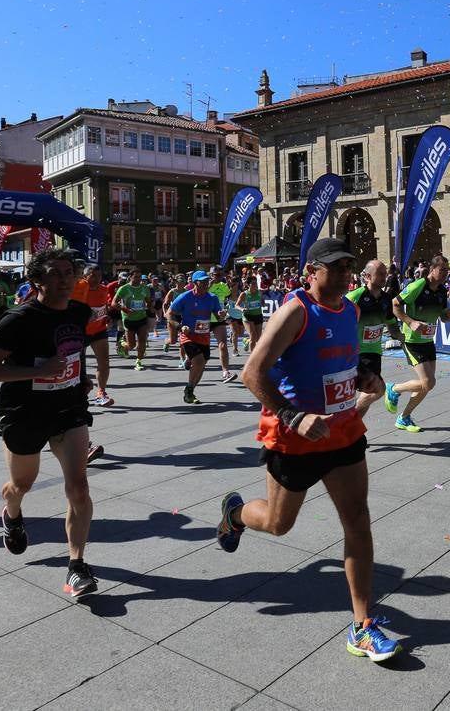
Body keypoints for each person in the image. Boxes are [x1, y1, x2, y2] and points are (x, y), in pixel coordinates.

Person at [214, 238, 402, 661]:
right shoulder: (295, 311)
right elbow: (252, 374)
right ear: (311, 272)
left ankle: (362, 624)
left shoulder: (350, 309)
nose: (344, 274)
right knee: (279, 524)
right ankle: (235, 513)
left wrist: (365, 379)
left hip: (343, 433)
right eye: (335, 267)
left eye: (348, 267)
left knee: (358, 520)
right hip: (294, 438)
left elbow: (340, 365)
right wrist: (293, 416)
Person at [0, 248, 98, 598]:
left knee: (79, 487)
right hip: (25, 412)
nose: (63, 279)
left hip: (69, 408)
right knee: (21, 484)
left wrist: (80, 378)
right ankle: (12, 513)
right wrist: (37, 371)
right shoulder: (18, 319)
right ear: (37, 280)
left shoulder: (79, 310)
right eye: (55, 273)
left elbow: (74, 350)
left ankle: (76, 565)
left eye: (68, 273)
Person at [386, 255, 450, 432]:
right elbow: (395, 304)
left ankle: (404, 418)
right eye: (442, 270)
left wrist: (447, 316)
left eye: (447, 271)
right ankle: (394, 388)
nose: (445, 274)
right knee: (429, 382)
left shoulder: (441, 290)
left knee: (426, 385)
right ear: (432, 269)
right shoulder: (418, 285)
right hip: (412, 341)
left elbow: (441, 314)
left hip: (428, 341)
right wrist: (410, 322)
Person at [347, 260, 395, 417]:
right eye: (380, 274)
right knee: (377, 389)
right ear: (367, 276)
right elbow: (338, 321)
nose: (384, 277)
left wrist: (400, 335)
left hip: (375, 352)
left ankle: (352, 429)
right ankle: (348, 422)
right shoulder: (355, 297)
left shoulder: (386, 299)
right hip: (356, 353)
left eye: (385, 273)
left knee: (371, 390)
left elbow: (391, 322)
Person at [168, 271, 221, 404]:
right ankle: (189, 389)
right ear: (194, 282)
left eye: (206, 281)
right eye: (202, 281)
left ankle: (190, 390)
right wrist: (180, 327)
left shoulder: (212, 298)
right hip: (188, 335)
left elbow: (218, 315)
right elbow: (169, 314)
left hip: (204, 336)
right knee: (199, 361)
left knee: (202, 365)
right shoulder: (185, 297)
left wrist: (222, 313)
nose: (205, 283)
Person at [74, 265, 115, 408]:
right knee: (78, 366)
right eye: (93, 275)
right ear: (85, 276)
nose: (97, 279)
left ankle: (101, 393)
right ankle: (78, 393)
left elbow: (104, 307)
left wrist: (107, 316)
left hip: (99, 331)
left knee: (104, 362)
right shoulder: (77, 289)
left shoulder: (104, 289)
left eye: (99, 275)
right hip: (80, 332)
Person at [115, 268, 151, 371]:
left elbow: (148, 301)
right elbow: (114, 303)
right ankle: (122, 343)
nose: (139, 279)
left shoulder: (145, 288)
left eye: (140, 277)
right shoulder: (124, 288)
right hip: (129, 319)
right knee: (131, 345)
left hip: (141, 317)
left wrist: (149, 305)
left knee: (142, 340)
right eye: (136, 277)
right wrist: (125, 309)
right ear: (130, 277)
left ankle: (138, 361)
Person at [207, 265, 236, 383]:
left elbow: (232, 297)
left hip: (219, 319)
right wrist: (211, 283)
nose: (219, 277)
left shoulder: (223, 286)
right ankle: (188, 358)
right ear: (211, 275)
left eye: (221, 274)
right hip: (205, 319)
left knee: (223, 345)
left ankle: (225, 372)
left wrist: (233, 285)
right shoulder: (204, 285)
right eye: (217, 275)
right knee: (199, 346)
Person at [237, 276, 266, 352]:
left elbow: (262, 301)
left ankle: (246, 341)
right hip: (248, 316)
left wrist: (263, 303)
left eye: (255, 283)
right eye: (253, 283)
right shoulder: (244, 294)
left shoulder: (259, 292)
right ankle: (252, 357)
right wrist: (242, 309)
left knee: (258, 338)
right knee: (253, 336)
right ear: (248, 285)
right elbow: (237, 305)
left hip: (258, 315)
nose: (255, 285)